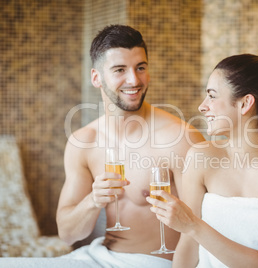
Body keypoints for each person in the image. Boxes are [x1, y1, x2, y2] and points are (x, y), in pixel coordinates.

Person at [0, 25, 204, 268]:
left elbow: (198, 230)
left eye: (141, 67)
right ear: (96, 77)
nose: (134, 80)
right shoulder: (84, 142)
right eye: (120, 70)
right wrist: (93, 201)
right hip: (95, 256)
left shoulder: (179, 138)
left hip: (149, 261)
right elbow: (67, 233)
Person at [146, 48, 258, 267]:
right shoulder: (201, 157)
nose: (202, 106)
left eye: (212, 96)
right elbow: (188, 247)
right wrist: (190, 229)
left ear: (245, 103)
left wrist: (193, 225)